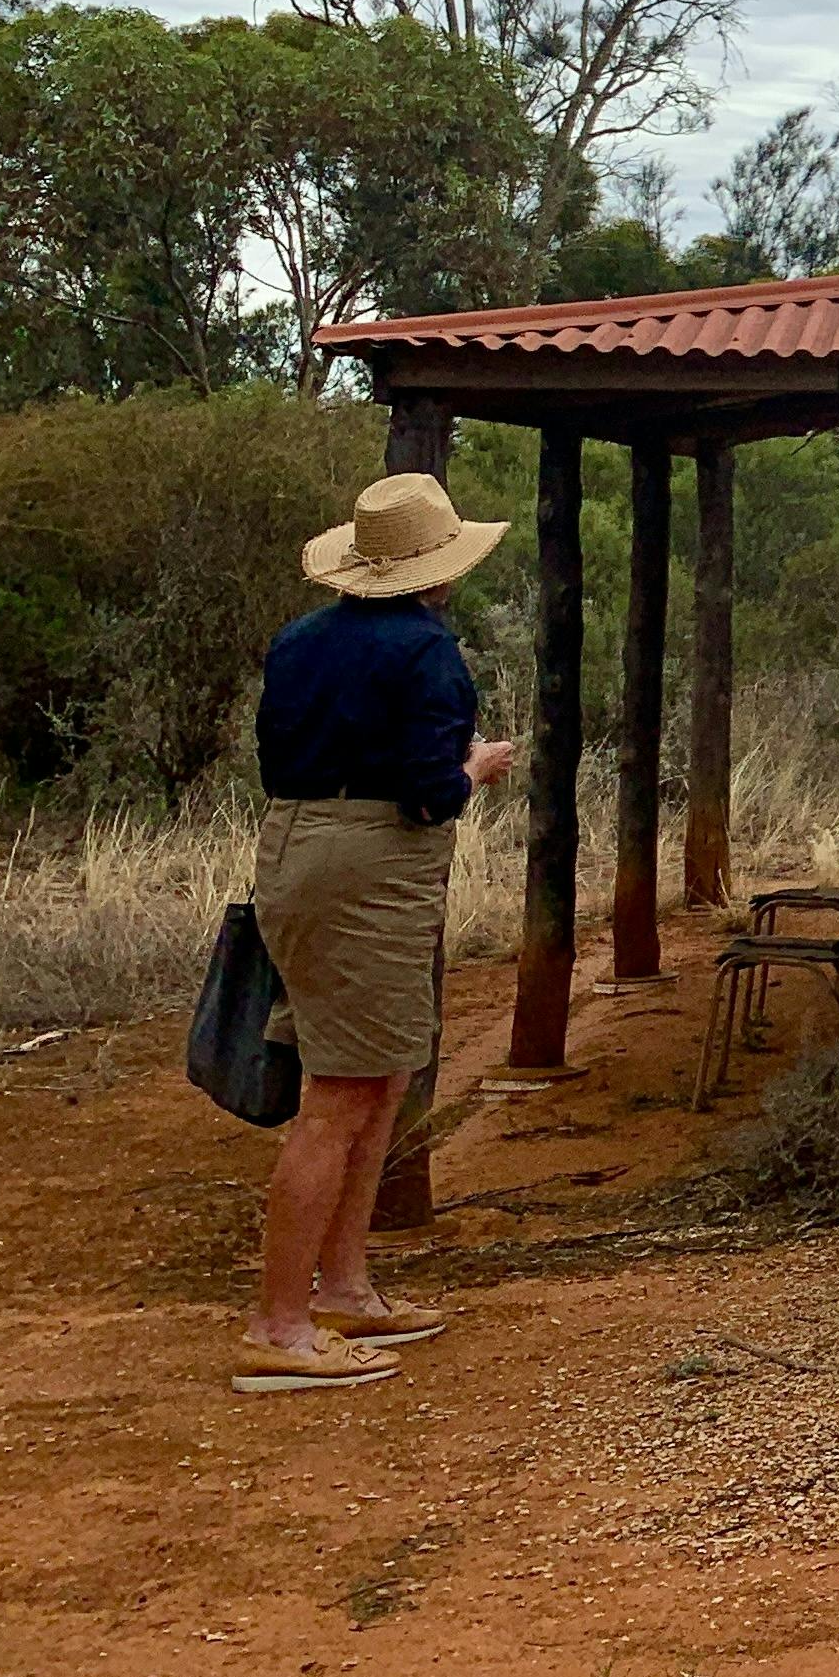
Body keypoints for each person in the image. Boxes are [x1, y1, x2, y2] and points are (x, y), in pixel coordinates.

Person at [235, 472, 516, 1395]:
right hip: (369, 865)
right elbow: (429, 791)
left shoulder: (301, 640)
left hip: (297, 844)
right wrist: (474, 768)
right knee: (344, 1094)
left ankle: (345, 1287)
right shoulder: (428, 652)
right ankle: (282, 1324)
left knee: (378, 1075)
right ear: (438, 568)